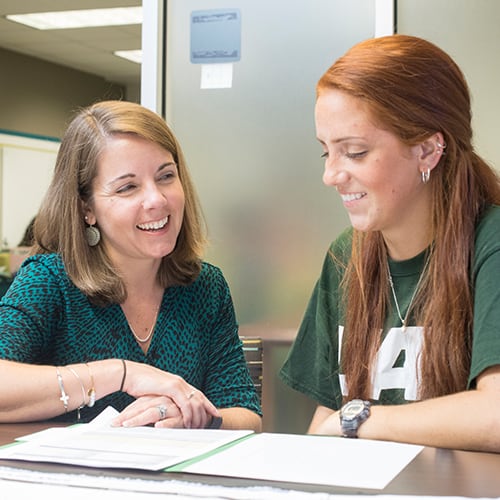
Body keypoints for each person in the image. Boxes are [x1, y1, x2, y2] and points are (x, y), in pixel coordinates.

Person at [280, 34, 500, 453]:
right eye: (325, 152)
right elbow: (325, 421)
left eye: (355, 152)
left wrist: (358, 418)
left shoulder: (490, 244)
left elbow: (496, 416)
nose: (331, 175)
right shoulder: (346, 256)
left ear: (428, 149)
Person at [0, 100, 262, 431]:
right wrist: (122, 373)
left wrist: (199, 418)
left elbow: (246, 415)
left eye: (166, 176)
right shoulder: (50, 280)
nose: (157, 200)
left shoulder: (204, 286)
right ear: (87, 209)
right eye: (127, 187)